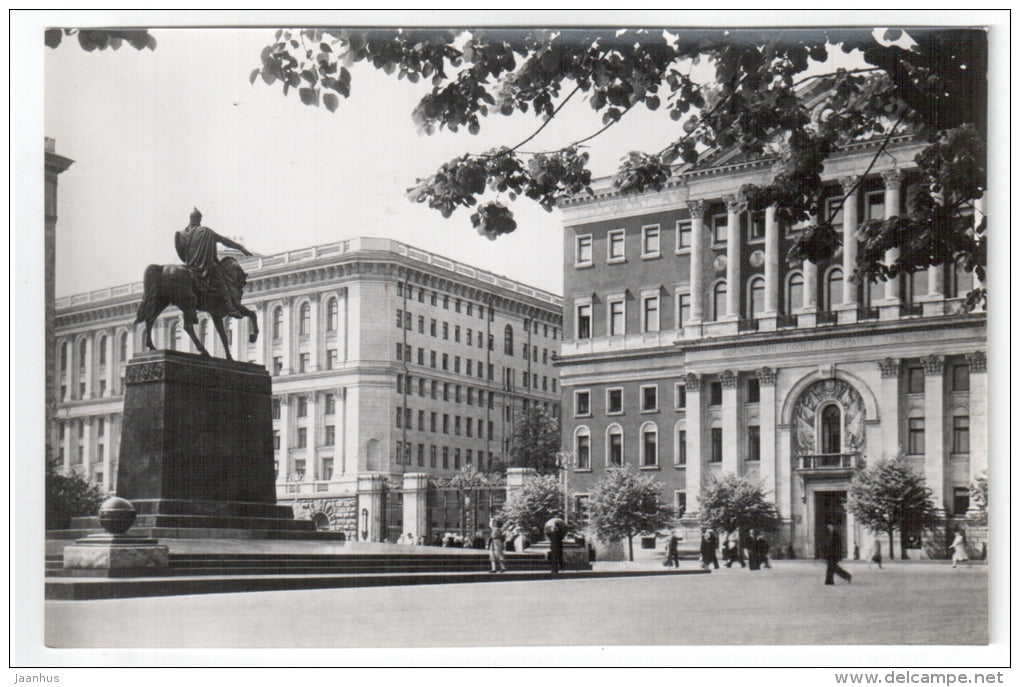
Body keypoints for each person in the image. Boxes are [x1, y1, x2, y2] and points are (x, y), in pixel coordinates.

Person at [175, 208, 252, 312]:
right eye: (200, 219)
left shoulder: (181, 233)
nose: (200, 222)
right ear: (197, 219)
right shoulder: (205, 231)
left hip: (189, 266)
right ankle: (229, 305)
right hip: (204, 266)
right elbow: (223, 240)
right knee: (222, 276)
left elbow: (181, 253)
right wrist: (240, 247)